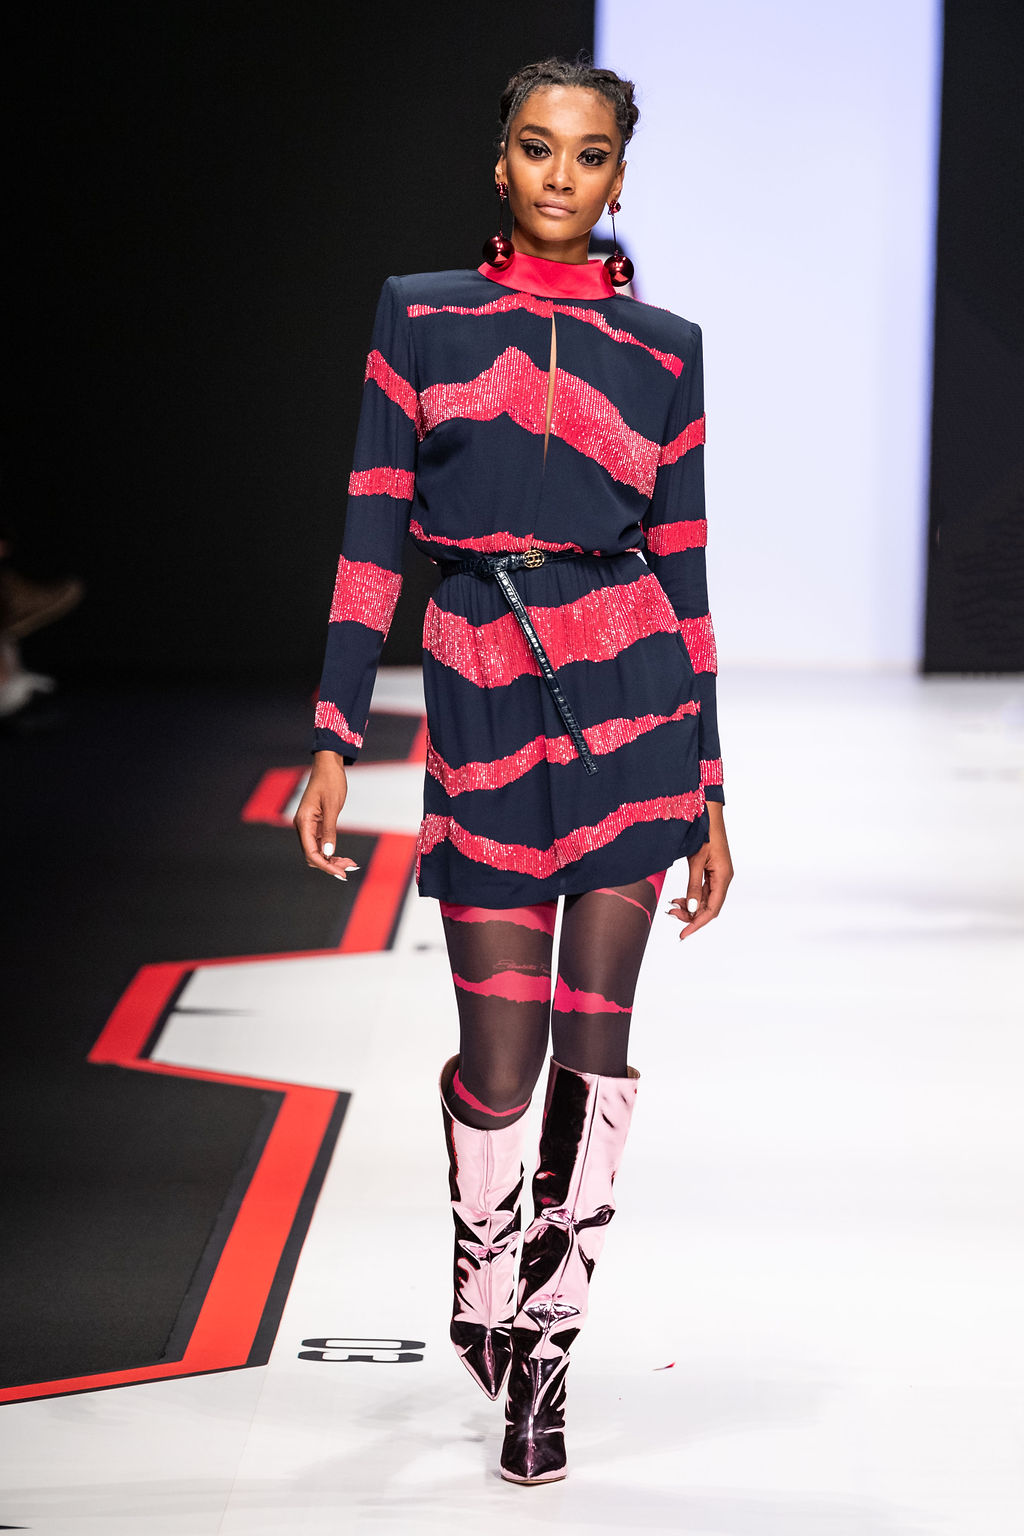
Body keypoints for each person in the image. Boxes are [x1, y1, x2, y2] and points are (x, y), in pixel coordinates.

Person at [295, 54, 733, 1485]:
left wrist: (711, 786)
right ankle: (485, 1267)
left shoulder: (665, 347)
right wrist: (333, 730)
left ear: (619, 175)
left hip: (634, 713)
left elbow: (686, 567)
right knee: (502, 1065)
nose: (561, 174)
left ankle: (547, 1353)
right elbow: (373, 528)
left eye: (588, 153)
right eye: (538, 147)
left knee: (595, 1048)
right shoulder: (420, 317)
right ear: (502, 163)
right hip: (482, 694)